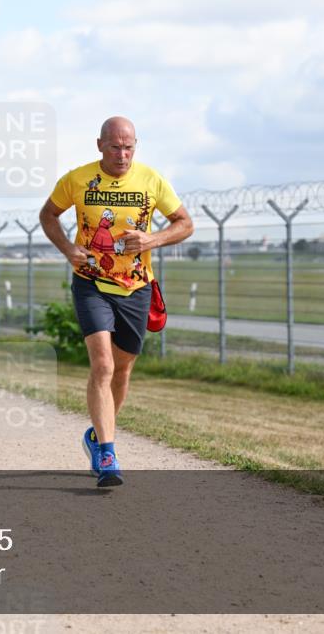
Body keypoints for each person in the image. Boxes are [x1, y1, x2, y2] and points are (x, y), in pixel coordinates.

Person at [39, 116, 194, 487]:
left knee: (122, 369)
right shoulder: (77, 180)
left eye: (129, 147)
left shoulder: (151, 180)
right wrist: (67, 248)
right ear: (99, 145)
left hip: (137, 287)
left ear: (135, 146)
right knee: (104, 365)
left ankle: (96, 434)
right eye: (115, 147)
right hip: (91, 282)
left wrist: (151, 240)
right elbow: (48, 215)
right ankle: (107, 453)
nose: (123, 155)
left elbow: (185, 223)